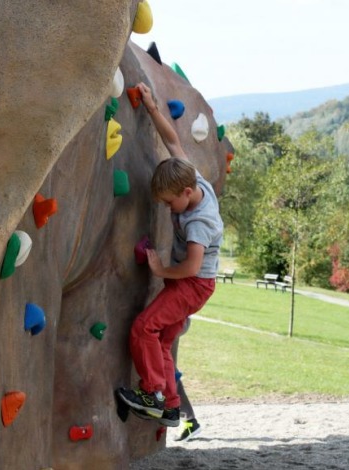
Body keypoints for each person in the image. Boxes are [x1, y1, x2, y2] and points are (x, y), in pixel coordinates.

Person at [117, 82, 223, 428]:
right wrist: (151, 106)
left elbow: (192, 266)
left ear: (187, 192)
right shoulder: (189, 176)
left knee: (144, 329)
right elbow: (173, 140)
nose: (166, 208)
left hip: (192, 284)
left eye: (169, 202)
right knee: (162, 340)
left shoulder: (199, 222)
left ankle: (152, 395)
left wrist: (161, 269)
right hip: (191, 282)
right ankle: (172, 406)